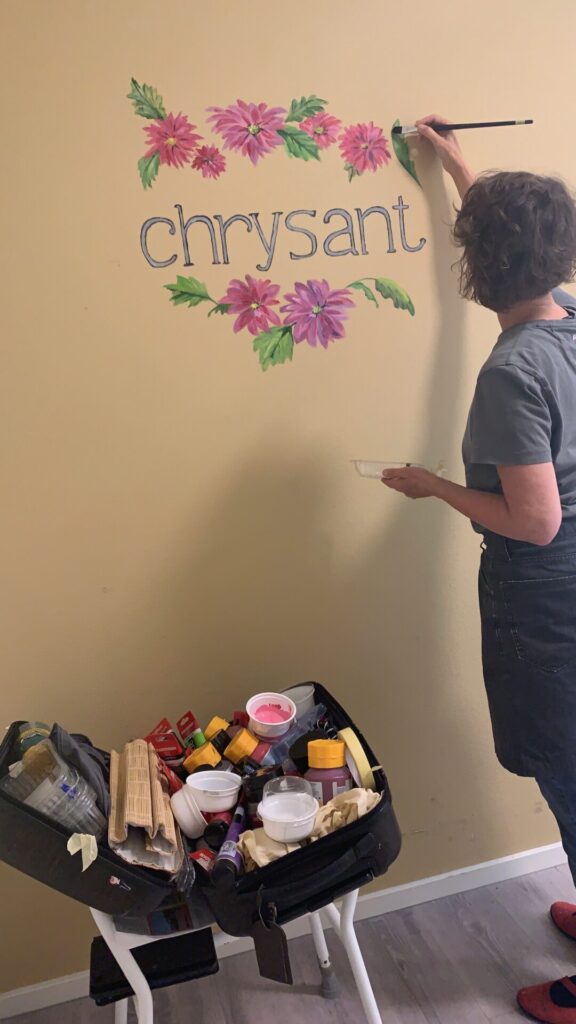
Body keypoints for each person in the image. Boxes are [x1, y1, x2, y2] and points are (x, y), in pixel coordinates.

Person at [382, 115, 576, 1024]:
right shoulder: (568, 322)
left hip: (548, 605)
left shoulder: (510, 374)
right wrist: (463, 170)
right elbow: (518, 251)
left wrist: (434, 487)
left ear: (481, 269)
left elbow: (534, 523)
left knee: (570, 778)